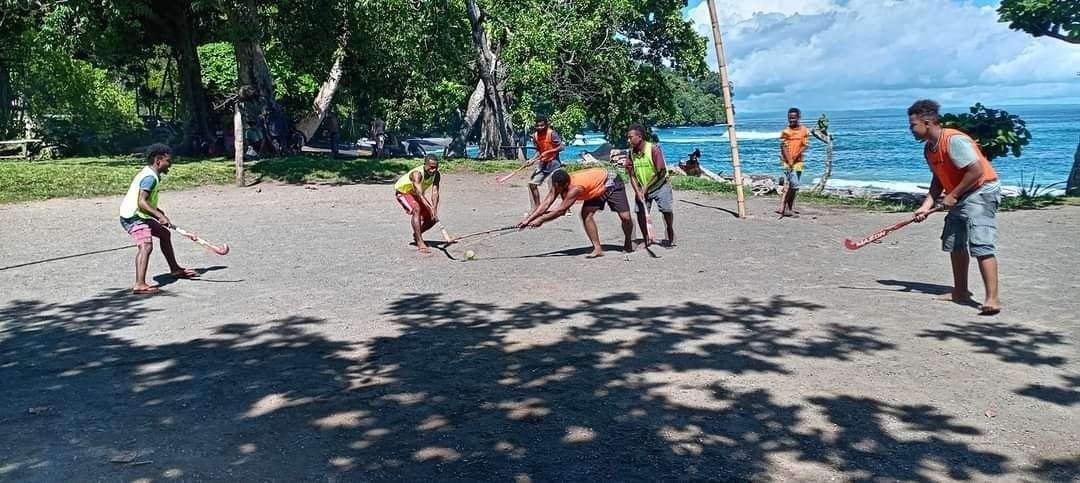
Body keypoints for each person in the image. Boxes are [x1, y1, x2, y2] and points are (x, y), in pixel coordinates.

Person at [908, 99, 1002, 315]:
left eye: (913, 125)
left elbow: (976, 170)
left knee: (981, 244)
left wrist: (953, 195)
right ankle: (960, 291)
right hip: (961, 194)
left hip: (981, 191)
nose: (910, 130)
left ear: (928, 122)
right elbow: (938, 179)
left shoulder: (953, 140)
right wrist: (926, 205)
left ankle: (992, 299)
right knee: (954, 242)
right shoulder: (930, 149)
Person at [118, 144, 197, 294]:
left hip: (141, 214)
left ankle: (175, 269)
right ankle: (139, 284)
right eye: (169, 161)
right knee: (146, 245)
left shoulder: (152, 175)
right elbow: (141, 202)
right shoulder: (149, 178)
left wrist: (158, 211)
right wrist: (159, 215)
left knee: (164, 234)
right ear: (158, 159)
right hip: (133, 217)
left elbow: (147, 201)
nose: (170, 165)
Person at [519, 167, 634, 259]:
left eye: (557, 187)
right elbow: (545, 204)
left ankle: (628, 242)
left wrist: (542, 220)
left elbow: (561, 210)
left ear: (565, 185)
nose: (555, 189)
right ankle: (597, 249)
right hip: (593, 189)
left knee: (625, 217)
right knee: (586, 215)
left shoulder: (575, 189)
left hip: (610, 182)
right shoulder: (557, 184)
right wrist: (528, 220)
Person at [624, 124, 675, 247]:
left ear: (639, 137)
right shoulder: (631, 154)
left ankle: (669, 230)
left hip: (660, 185)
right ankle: (646, 237)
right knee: (640, 212)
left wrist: (645, 188)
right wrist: (638, 191)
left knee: (666, 210)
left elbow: (660, 172)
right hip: (642, 187)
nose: (628, 140)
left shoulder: (653, 149)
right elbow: (631, 175)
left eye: (630, 137)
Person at [394, 155, 443, 255]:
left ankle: (416, 235)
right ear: (425, 164)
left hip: (415, 194)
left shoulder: (436, 175)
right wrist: (430, 208)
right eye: (431, 167)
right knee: (416, 209)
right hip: (403, 193)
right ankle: (420, 242)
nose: (433, 170)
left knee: (432, 218)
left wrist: (434, 209)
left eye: (435, 168)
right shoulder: (417, 174)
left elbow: (435, 192)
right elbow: (420, 194)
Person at [525, 116, 565, 211]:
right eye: (538, 126)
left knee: (555, 185)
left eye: (542, 125)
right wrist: (532, 160)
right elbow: (539, 151)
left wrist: (549, 152)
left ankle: (566, 208)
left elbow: (562, 147)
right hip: (543, 164)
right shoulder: (535, 136)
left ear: (546, 125)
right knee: (532, 184)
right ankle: (538, 209)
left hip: (554, 163)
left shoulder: (552, 133)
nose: (540, 127)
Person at [778, 107, 810, 217]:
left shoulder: (804, 130)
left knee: (793, 188)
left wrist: (796, 158)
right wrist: (790, 160)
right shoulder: (786, 132)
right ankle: (785, 208)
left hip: (799, 162)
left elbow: (804, 146)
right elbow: (783, 147)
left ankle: (789, 208)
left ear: (798, 118)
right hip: (787, 162)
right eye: (789, 118)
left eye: (793, 118)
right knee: (794, 185)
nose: (791, 120)